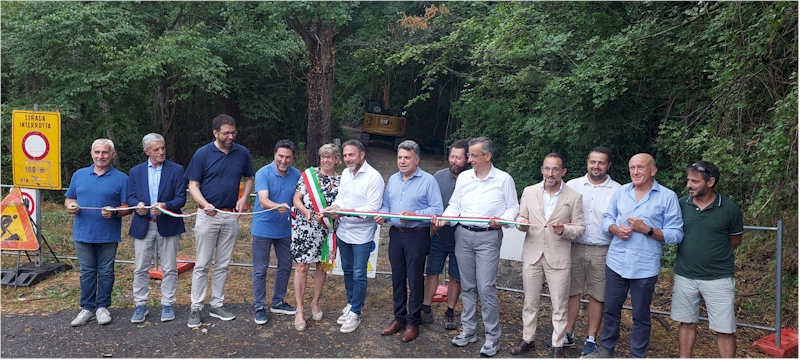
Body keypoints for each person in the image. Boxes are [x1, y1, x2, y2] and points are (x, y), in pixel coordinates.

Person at [585, 153, 684, 358]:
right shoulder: (622, 192)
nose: (635, 172)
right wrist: (614, 229)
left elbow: (676, 234)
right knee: (611, 309)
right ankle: (607, 348)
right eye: (632, 168)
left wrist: (647, 230)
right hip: (616, 261)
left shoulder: (667, 196)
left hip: (644, 266)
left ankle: (637, 355)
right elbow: (607, 220)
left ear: (653, 170)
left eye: (640, 167)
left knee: (640, 314)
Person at [433, 136, 519, 357]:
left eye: (473, 155)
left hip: (488, 238)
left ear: (488, 156)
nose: (469, 159)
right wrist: (444, 218)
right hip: (463, 235)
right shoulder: (464, 178)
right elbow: (455, 205)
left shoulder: (504, 179)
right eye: (469, 155)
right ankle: (469, 329)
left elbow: (513, 208)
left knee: (486, 287)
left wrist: (502, 219)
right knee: (468, 285)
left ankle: (492, 338)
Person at [511, 153, 586, 358]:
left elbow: (580, 227)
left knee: (559, 304)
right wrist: (521, 224)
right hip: (533, 254)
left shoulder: (574, 196)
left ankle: (557, 345)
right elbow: (521, 216)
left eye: (555, 169)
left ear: (563, 172)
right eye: (546, 168)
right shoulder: (529, 191)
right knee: (530, 301)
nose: (550, 173)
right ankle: (528, 339)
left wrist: (566, 230)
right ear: (542, 170)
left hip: (558, 256)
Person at [184, 114, 255, 328]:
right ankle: (196, 307)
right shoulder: (202, 154)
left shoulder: (242, 153)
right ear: (215, 133)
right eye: (226, 133)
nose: (230, 136)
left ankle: (217, 304)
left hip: (230, 216)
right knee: (202, 264)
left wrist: (243, 198)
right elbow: (193, 185)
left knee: (223, 264)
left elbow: (249, 178)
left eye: (233, 132)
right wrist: (205, 204)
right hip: (207, 216)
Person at [670, 161, 743, 358]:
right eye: (688, 180)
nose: (689, 185)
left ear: (710, 182)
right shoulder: (681, 204)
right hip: (685, 275)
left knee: (725, 329)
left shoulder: (729, 208)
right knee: (686, 322)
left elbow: (735, 239)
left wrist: (713, 256)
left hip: (719, 277)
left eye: (695, 181)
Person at [376, 140, 443, 342]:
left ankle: (414, 322)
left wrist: (414, 215)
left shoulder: (429, 181)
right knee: (397, 278)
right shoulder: (394, 180)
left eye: (407, 158)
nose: (402, 162)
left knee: (414, 279)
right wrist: (382, 215)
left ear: (417, 159)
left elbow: (437, 210)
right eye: (399, 157)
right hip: (396, 233)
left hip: (417, 235)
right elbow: (386, 205)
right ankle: (399, 318)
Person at [65, 139, 132, 327]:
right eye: (97, 152)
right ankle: (87, 308)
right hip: (83, 233)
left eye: (105, 152)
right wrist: (70, 206)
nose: (100, 156)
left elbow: (128, 207)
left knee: (106, 272)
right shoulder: (79, 175)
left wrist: (115, 211)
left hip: (108, 234)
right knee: (86, 273)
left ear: (112, 155)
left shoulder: (122, 178)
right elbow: (70, 198)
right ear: (91, 153)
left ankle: (102, 307)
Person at [563, 146, 621, 355]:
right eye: (593, 162)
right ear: (587, 162)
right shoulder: (572, 185)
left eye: (601, 162)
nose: (596, 166)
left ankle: (590, 338)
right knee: (572, 292)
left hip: (603, 250)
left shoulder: (618, 190)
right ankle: (567, 334)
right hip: (574, 247)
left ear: (608, 165)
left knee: (598, 295)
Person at [323, 139, 384, 333]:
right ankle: (350, 304)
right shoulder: (346, 174)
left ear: (362, 155)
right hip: (344, 231)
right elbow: (341, 197)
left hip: (362, 234)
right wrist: (335, 207)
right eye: (346, 155)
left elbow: (371, 208)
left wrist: (344, 211)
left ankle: (356, 311)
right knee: (347, 271)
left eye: (352, 155)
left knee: (359, 273)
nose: (348, 159)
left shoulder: (374, 177)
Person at [127, 133, 187, 323]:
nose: (161, 152)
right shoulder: (135, 171)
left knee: (169, 267)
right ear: (146, 151)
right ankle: (140, 304)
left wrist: (166, 206)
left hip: (168, 224)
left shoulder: (176, 170)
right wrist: (138, 206)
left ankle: (167, 303)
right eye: (156, 149)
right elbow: (130, 197)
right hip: (144, 224)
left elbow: (181, 198)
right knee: (140, 268)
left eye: (163, 148)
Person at [421, 139, 470, 330]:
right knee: (432, 270)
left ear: (467, 159)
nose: (454, 161)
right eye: (452, 157)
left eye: (458, 158)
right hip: (438, 234)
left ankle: (450, 311)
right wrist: (431, 223)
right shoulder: (438, 177)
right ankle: (426, 308)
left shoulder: (474, 181)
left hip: (462, 237)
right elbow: (429, 204)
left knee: (455, 276)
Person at [250, 139, 301, 325]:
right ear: (275, 155)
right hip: (263, 228)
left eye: (288, 157)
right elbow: (263, 200)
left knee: (286, 267)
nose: (284, 160)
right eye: (281, 156)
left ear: (293, 158)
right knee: (260, 269)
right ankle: (259, 306)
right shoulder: (263, 173)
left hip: (286, 230)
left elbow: (300, 198)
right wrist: (276, 206)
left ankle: (278, 301)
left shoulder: (297, 175)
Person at [291, 143, 342, 331]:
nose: (326, 160)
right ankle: (299, 309)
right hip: (305, 227)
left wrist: (333, 213)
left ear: (337, 159)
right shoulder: (308, 176)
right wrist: (305, 211)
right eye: (323, 157)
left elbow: (342, 204)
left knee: (322, 266)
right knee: (301, 267)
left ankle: (315, 302)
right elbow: (296, 198)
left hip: (326, 229)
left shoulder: (342, 180)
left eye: (330, 157)